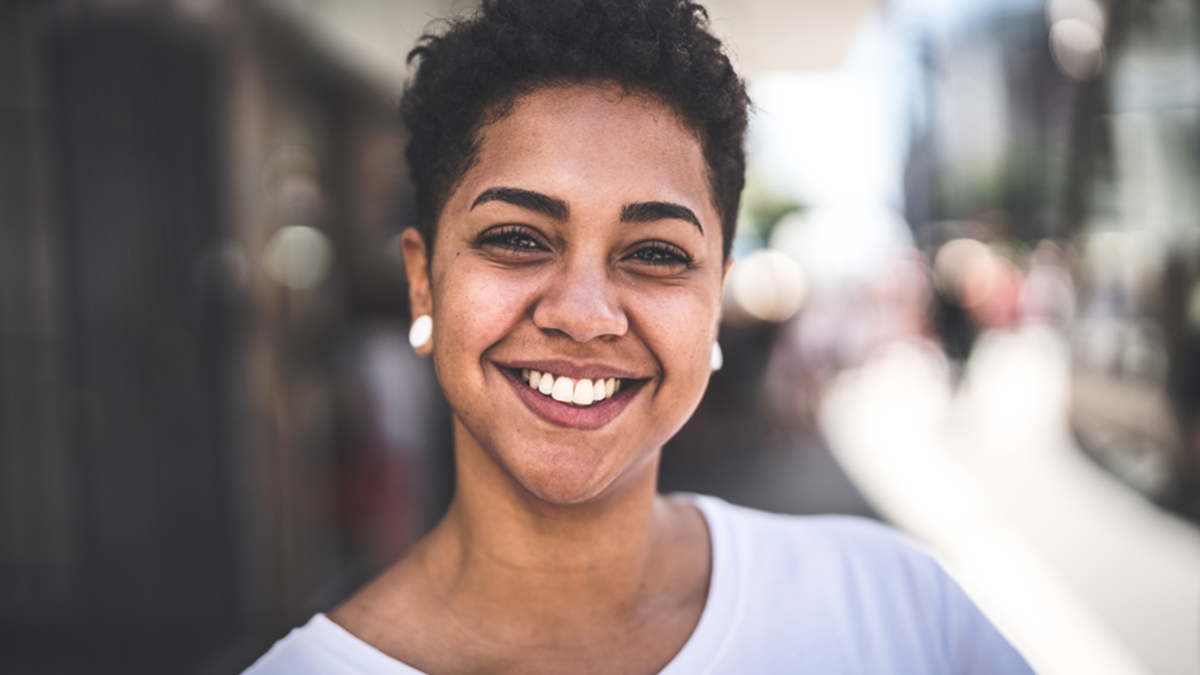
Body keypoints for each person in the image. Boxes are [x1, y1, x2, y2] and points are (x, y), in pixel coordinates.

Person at [243, 1, 1035, 673]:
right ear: (424, 281)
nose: (585, 314)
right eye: (518, 238)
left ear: (716, 299)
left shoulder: (897, 616)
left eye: (656, 253)